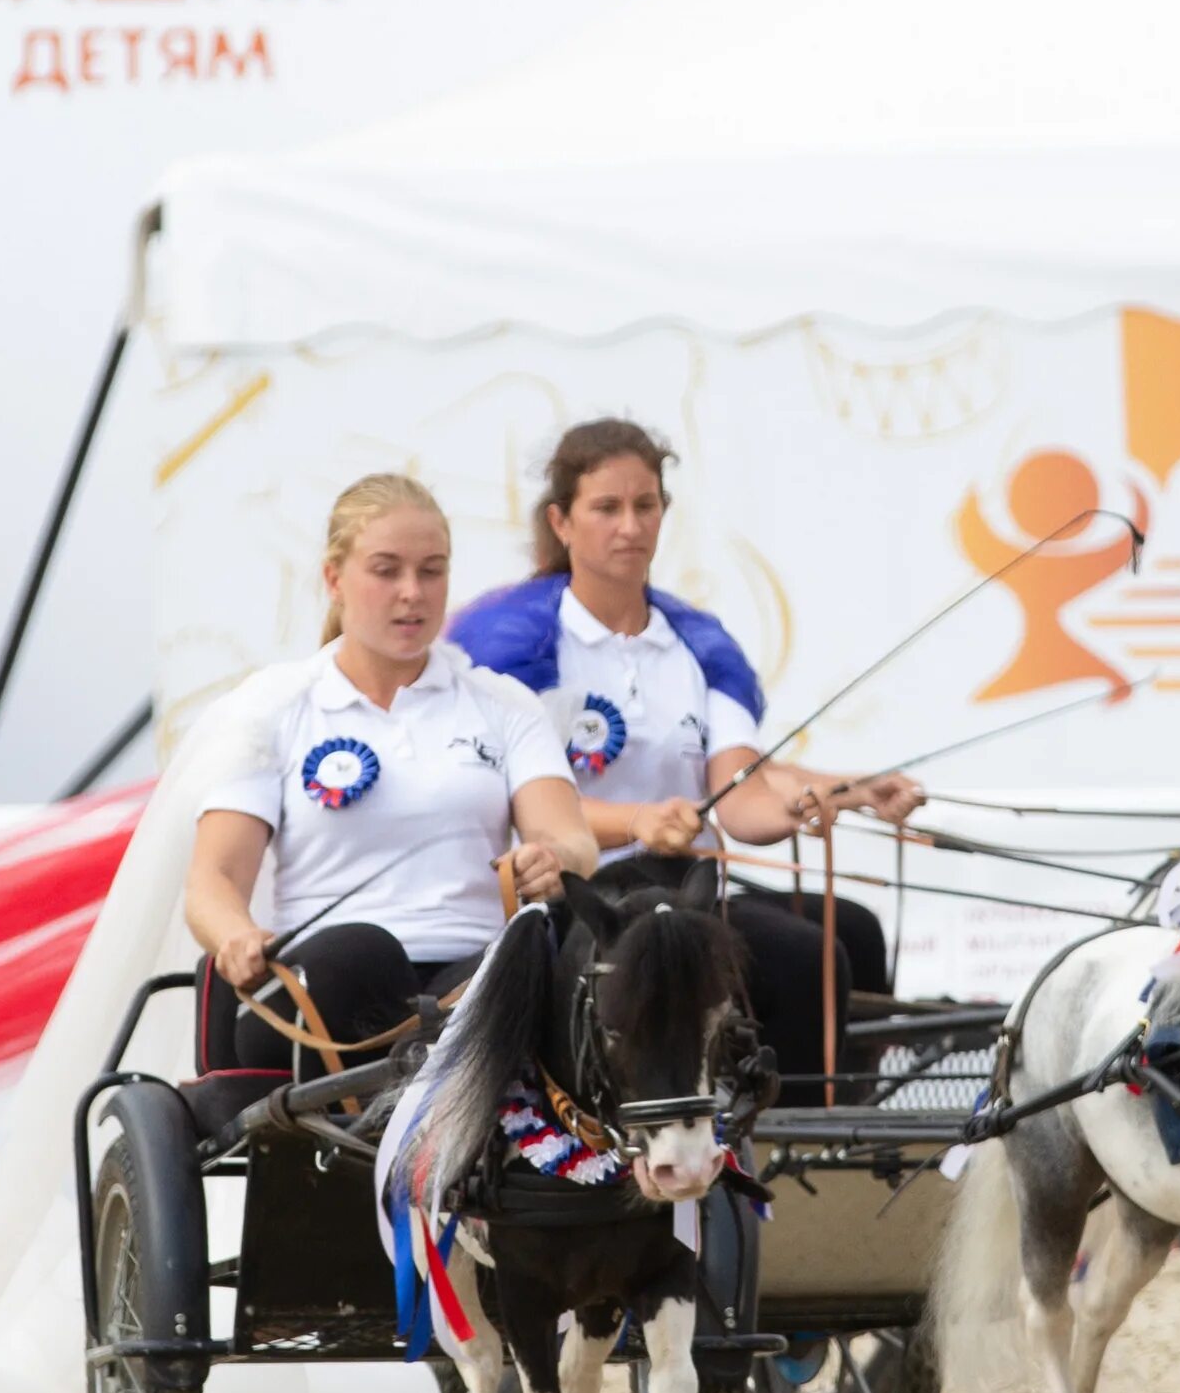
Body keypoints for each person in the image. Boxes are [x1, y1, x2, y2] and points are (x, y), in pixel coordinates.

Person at [445, 419, 923, 1093]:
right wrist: (637, 821)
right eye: (606, 508)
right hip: (588, 896)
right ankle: (779, 1132)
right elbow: (520, 800)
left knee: (854, 934)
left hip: (682, 890)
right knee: (802, 954)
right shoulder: (518, 645)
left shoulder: (697, 644)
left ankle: (830, 1137)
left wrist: (846, 791)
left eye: (646, 505)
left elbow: (742, 797)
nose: (630, 525)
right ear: (561, 520)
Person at [186, 473, 597, 1075]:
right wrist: (236, 936)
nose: (413, 592)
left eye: (432, 571)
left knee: (562, 962)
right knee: (361, 952)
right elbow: (213, 880)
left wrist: (554, 858)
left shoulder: (504, 704)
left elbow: (574, 841)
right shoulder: (273, 706)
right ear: (334, 579)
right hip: (322, 986)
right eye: (387, 570)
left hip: (473, 977)